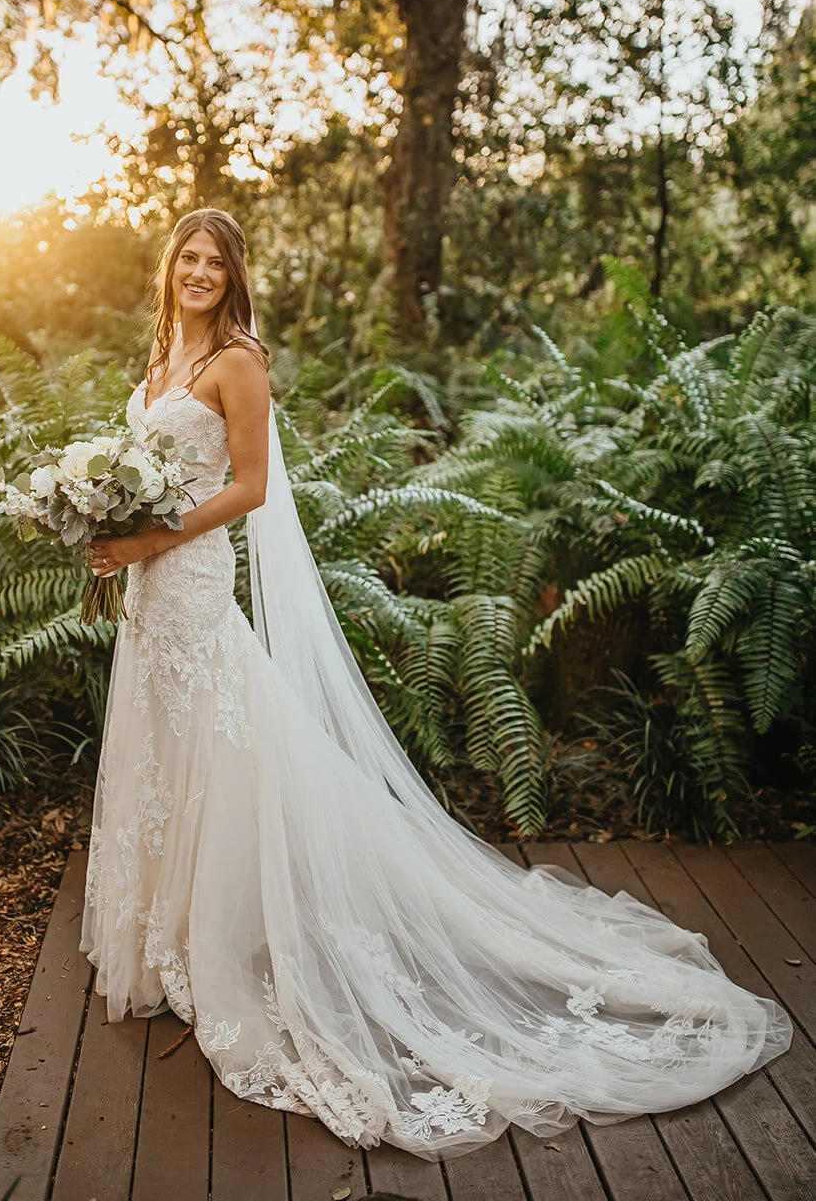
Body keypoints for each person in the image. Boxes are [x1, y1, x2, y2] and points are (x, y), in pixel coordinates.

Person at [79, 207, 792, 1160]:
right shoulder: (164, 355)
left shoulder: (235, 363)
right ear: (168, 269)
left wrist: (149, 536)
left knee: (225, 750)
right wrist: (103, 518)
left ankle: (243, 943)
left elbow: (248, 487)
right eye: (187, 258)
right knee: (172, 755)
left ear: (234, 274)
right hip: (146, 592)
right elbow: (151, 470)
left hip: (193, 586)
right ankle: (171, 940)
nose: (199, 272)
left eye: (215, 261)